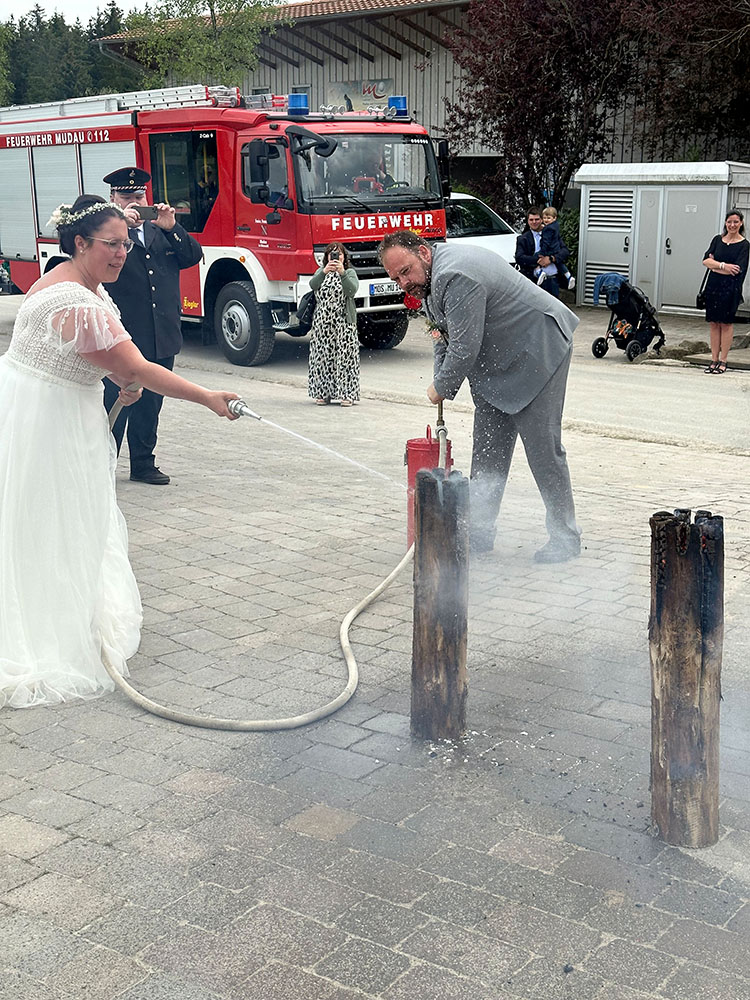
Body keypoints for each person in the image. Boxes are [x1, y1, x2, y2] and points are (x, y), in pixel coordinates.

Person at [0, 195, 239, 710]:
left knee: (47, 517)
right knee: (55, 518)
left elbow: (92, 356)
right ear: (80, 242)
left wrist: (113, 375)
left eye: (126, 244)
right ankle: (46, 627)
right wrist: (207, 398)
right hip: (50, 421)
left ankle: (54, 606)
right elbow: (135, 367)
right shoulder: (77, 300)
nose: (121, 254)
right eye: (111, 244)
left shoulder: (70, 280)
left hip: (42, 406)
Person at [380, 230, 581, 563]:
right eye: (396, 277)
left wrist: (441, 387)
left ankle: (565, 536)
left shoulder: (455, 274)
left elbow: (464, 347)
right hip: (497, 363)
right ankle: (480, 532)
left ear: (424, 253)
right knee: (488, 450)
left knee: (543, 449)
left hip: (539, 348)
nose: (403, 282)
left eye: (405, 271)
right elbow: (442, 337)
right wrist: (439, 380)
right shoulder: (427, 283)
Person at [102, 167, 203, 485]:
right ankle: (104, 465)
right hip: (122, 337)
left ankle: (143, 464)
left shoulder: (163, 230)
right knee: (115, 404)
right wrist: (121, 228)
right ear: (113, 199)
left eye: (140, 196)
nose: (135, 203)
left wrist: (173, 227)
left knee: (151, 403)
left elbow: (192, 256)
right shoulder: (107, 234)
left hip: (161, 333)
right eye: (127, 197)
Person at [307, 241, 360, 406]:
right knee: (323, 358)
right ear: (327, 257)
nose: (335, 257)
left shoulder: (349, 272)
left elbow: (352, 290)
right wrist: (324, 272)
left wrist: (342, 273)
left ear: (344, 258)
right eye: (332, 254)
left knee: (345, 359)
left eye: (339, 254)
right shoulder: (320, 272)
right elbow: (312, 285)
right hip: (323, 323)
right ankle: (323, 393)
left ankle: (347, 395)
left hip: (344, 323)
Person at [701, 209, 749, 374]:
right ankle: (713, 359)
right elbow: (705, 260)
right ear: (725, 223)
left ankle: (723, 361)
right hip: (713, 286)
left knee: (726, 324)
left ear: (741, 223)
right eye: (729, 222)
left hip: (731, 289)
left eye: (736, 222)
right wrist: (724, 266)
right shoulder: (717, 239)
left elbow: (738, 270)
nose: (732, 225)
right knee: (714, 323)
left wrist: (717, 265)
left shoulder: (744, 245)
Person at [534, 207, 575, 292]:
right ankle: (568, 276)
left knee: (537, 256)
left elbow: (564, 251)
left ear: (554, 218)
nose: (546, 220)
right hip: (554, 250)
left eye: (548, 218)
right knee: (559, 264)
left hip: (552, 276)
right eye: (544, 218)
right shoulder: (555, 227)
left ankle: (539, 272)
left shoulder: (547, 229)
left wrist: (550, 257)